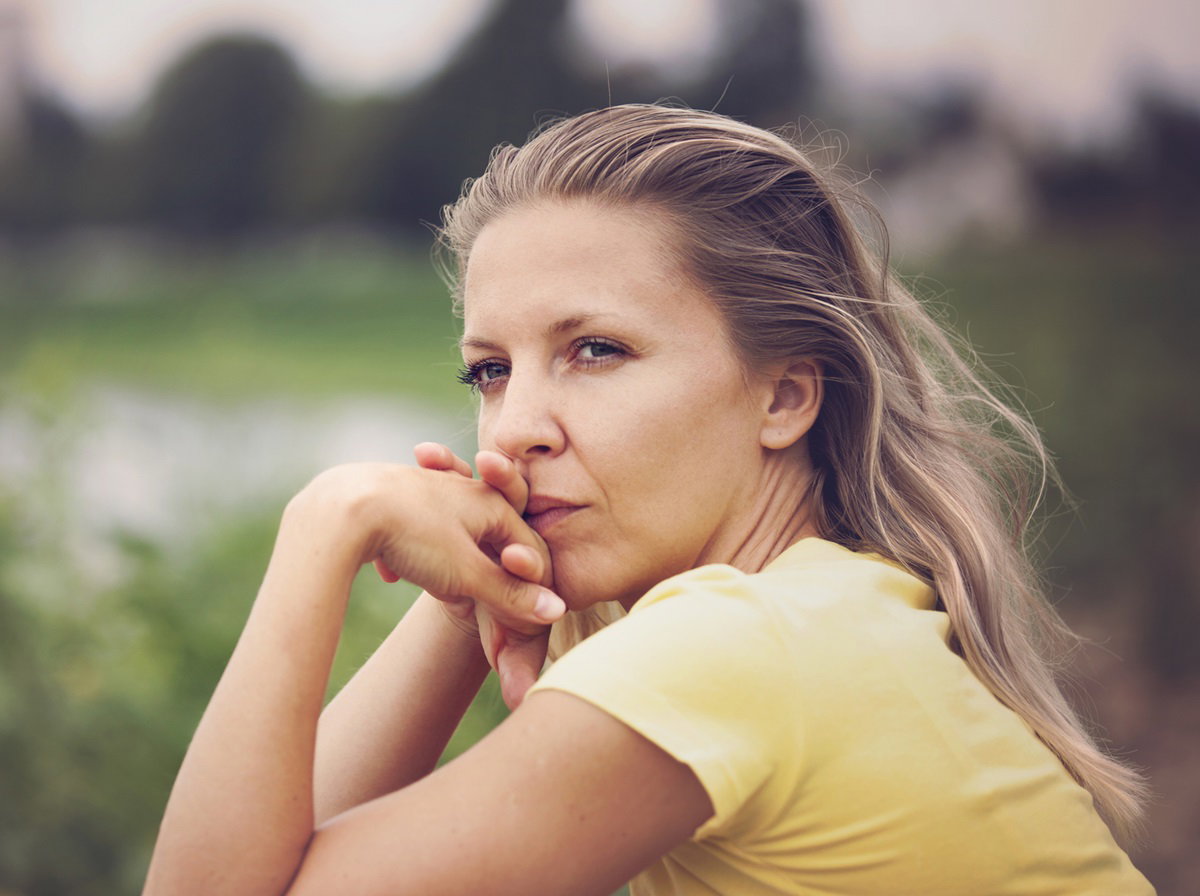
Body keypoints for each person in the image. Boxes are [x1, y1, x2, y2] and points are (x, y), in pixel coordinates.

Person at [143, 104, 1154, 895]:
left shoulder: (736, 647)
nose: (514, 428)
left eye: (596, 350)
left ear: (784, 395)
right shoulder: (828, 605)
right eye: (489, 371)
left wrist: (325, 523)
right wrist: (469, 596)